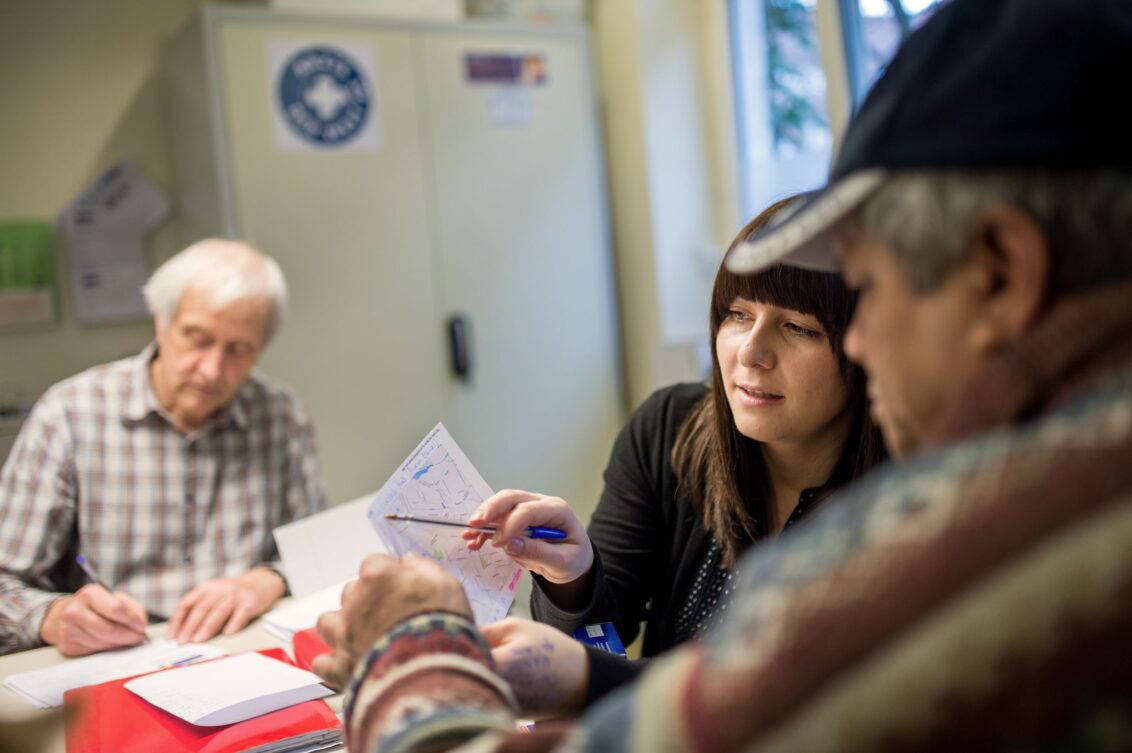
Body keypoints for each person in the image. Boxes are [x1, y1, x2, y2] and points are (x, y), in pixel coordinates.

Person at [314, 0, 1132, 750]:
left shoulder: (977, 540)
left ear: (1000, 273)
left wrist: (412, 644)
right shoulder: (678, 432)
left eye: (871, 289)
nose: (861, 341)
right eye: (735, 315)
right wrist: (581, 614)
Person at [461, 196, 885, 701]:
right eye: (738, 314)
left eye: (798, 328)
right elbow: (602, 631)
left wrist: (586, 676)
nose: (751, 352)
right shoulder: (671, 429)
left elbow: (780, 704)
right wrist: (573, 576)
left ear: (866, 348)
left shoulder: (904, 503)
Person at [0, 239, 327, 657]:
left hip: (247, 647)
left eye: (239, 350)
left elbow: (317, 557)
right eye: (198, 339)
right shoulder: (70, 414)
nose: (211, 370)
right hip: (114, 655)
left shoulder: (281, 415)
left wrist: (267, 580)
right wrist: (53, 617)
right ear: (161, 323)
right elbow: (5, 582)